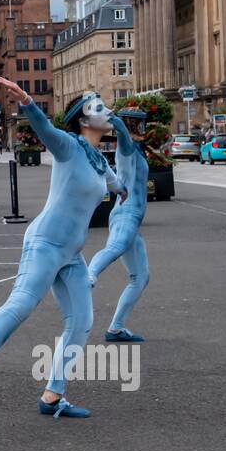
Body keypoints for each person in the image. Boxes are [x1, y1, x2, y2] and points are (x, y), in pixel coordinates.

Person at [0, 81, 126, 419]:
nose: (108, 111)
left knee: (82, 322)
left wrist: (122, 189)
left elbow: (113, 182)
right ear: (82, 120)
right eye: (99, 108)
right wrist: (28, 103)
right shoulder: (68, 146)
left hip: (72, 254)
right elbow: (44, 128)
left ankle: (53, 395)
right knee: (23, 301)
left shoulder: (98, 160)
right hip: (45, 243)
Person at [87, 108, 150, 341]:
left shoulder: (137, 152)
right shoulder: (126, 151)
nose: (142, 129)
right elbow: (123, 136)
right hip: (126, 214)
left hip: (132, 218)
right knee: (115, 248)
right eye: (138, 125)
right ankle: (89, 276)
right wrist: (114, 120)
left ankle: (115, 328)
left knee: (141, 277)